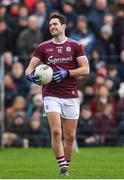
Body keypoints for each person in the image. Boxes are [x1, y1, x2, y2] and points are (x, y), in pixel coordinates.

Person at [25, 13, 90, 176]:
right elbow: (28, 69)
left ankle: (66, 166)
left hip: (71, 95)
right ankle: (62, 167)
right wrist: (31, 76)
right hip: (50, 93)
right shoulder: (43, 47)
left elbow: (86, 70)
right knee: (56, 132)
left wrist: (67, 73)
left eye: (55, 24)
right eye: (50, 25)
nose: (52, 27)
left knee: (70, 136)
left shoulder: (76, 46)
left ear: (63, 26)